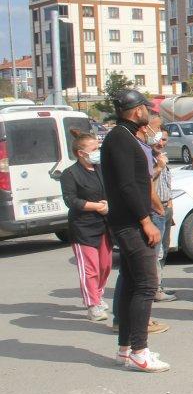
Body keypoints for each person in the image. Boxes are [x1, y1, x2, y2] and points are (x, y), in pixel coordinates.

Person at [100, 89, 169, 372]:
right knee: (145, 285)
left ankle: (125, 348)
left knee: (130, 283)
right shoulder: (120, 139)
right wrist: (146, 221)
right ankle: (140, 351)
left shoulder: (124, 137)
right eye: (147, 109)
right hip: (130, 223)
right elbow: (128, 186)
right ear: (137, 110)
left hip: (129, 220)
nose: (150, 113)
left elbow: (136, 183)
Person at [60, 129, 111, 322]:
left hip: (104, 225)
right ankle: (92, 304)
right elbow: (71, 201)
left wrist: (108, 203)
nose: (97, 152)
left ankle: (98, 294)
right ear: (81, 153)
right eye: (94, 149)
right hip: (83, 227)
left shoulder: (100, 169)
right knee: (90, 268)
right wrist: (97, 206)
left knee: (105, 265)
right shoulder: (70, 174)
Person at [146, 113, 177, 303]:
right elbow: (148, 183)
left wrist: (170, 206)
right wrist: (158, 167)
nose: (161, 142)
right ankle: (154, 289)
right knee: (155, 253)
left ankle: (158, 284)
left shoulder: (160, 157)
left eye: (164, 139)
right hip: (155, 210)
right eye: (158, 137)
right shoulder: (150, 157)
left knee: (163, 251)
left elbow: (167, 186)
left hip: (165, 209)